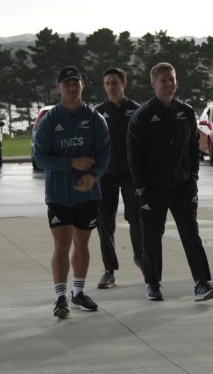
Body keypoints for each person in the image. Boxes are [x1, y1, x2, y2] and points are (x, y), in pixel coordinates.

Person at [127, 62, 213, 302]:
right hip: (152, 188)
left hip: (182, 186)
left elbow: (193, 147)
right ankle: (153, 284)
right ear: (153, 84)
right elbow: (133, 154)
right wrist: (140, 186)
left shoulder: (186, 111)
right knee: (152, 237)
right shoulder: (143, 115)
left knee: (191, 233)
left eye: (171, 79)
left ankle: (201, 283)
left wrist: (193, 176)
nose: (169, 84)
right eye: (163, 80)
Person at [33, 66, 111, 319]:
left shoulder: (94, 118)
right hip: (58, 194)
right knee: (62, 244)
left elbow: (104, 154)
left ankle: (78, 292)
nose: (71, 86)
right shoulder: (50, 120)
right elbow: (40, 157)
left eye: (75, 82)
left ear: (82, 85)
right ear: (58, 88)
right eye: (66, 83)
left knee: (82, 242)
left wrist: (93, 174)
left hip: (88, 195)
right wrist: (71, 163)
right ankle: (60, 297)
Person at [94, 68, 143, 289]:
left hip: (132, 177)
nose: (111, 87)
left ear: (124, 83)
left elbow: (146, 146)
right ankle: (109, 271)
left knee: (136, 220)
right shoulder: (96, 113)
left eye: (115, 82)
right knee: (105, 225)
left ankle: (142, 259)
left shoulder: (137, 111)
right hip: (105, 177)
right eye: (107, 83)